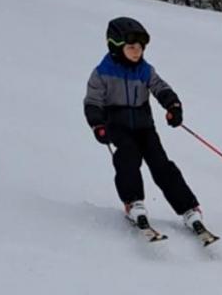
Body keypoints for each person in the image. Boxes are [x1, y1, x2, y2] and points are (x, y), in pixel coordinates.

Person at [84, 16, 206, 232]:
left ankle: (188, 208)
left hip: (144, 127)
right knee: (127, 159)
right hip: (118, 127)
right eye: (131, 47)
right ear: (115, 46)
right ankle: (133, 202)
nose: (136, 52)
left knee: (161, 165)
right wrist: (97, 125)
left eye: (140, 47)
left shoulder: (145, 70)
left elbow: (160, 87)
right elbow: (93, 101)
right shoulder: (102, 73)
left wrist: (173, 106)